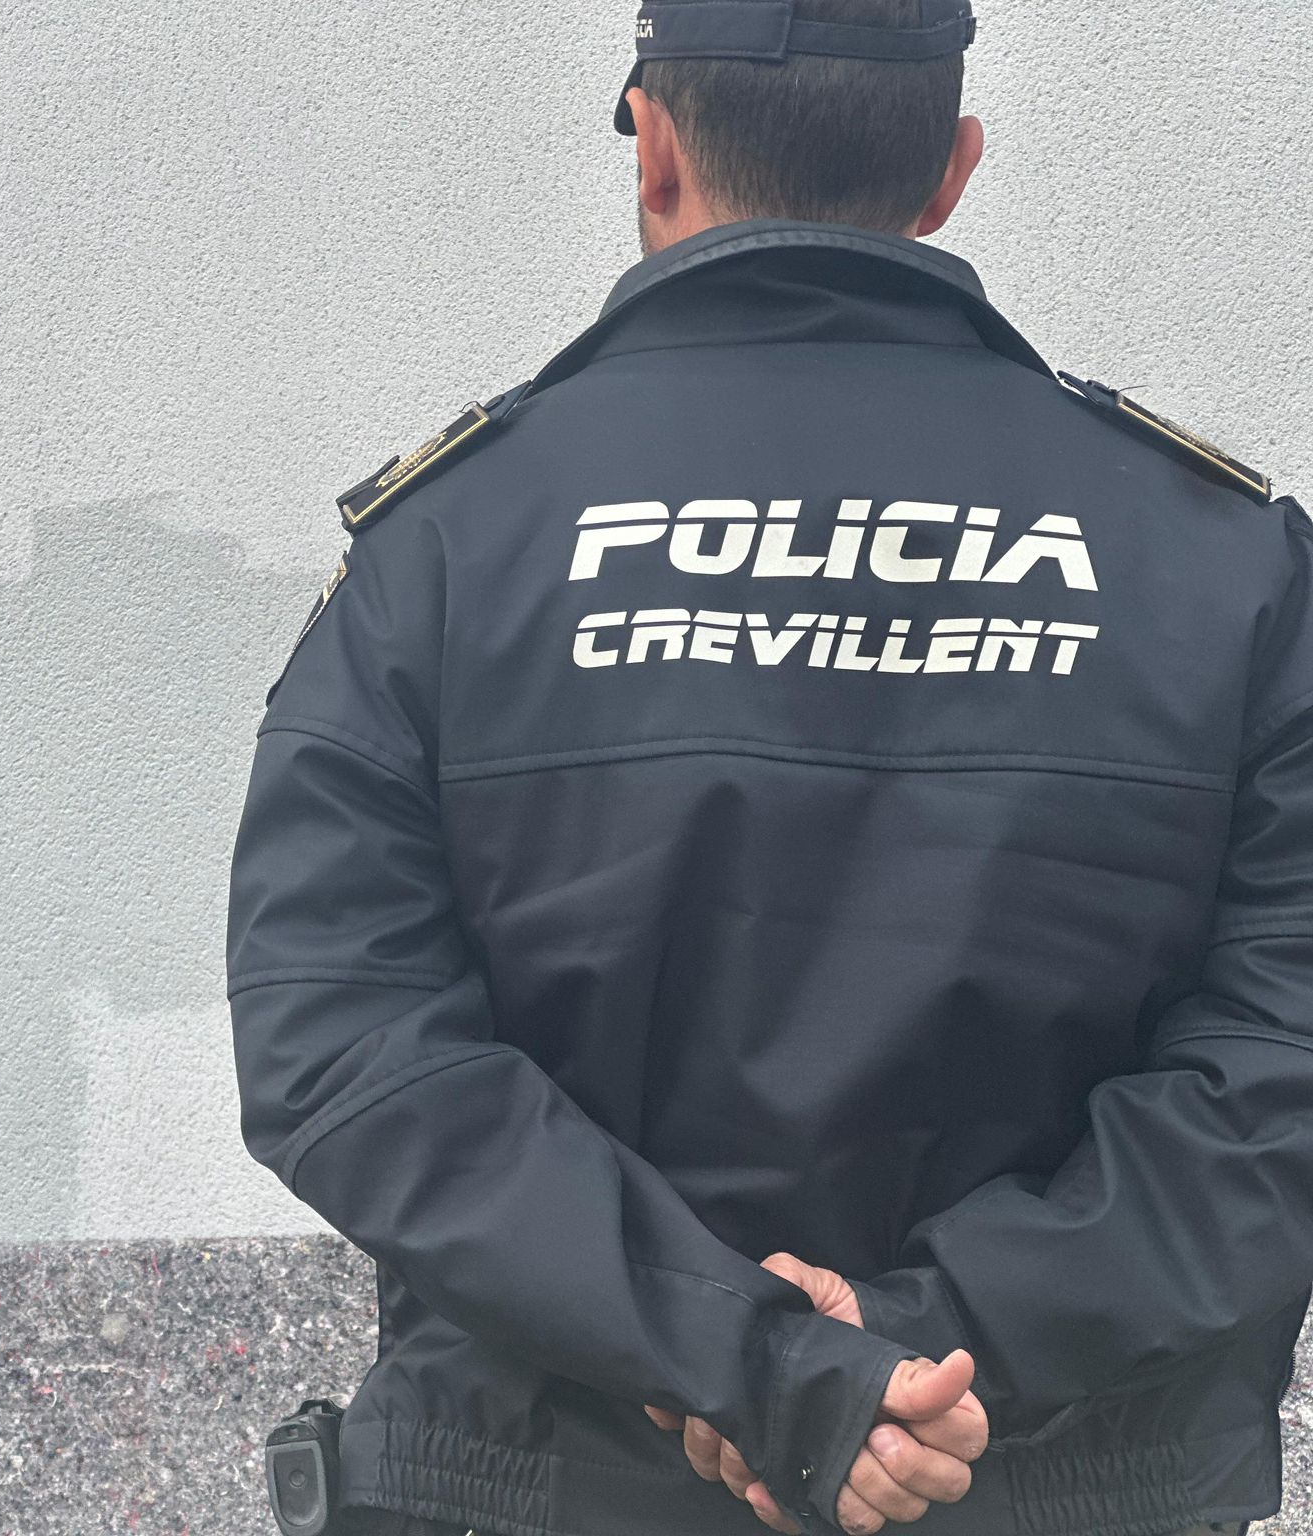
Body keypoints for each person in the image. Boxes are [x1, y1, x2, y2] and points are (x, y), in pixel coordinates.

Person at [226, 2, 1312, 1533]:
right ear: (952, 170)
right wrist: (926, 1339)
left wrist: (765, 1362)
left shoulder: (454, 547)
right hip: (1058, 1488)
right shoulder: (1223, 565)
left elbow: (343, 1046)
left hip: (537, 1493)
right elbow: (1282, 1061)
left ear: (655, 152)